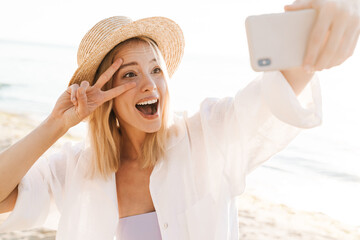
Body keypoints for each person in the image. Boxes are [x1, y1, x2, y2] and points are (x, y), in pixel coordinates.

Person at [0, 0, 359, 239]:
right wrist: (55, 125)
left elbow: (281, 87)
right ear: (105, 95)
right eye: (129, 75)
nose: (149, 84)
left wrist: (329, 18)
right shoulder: (74, 169)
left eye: (156, 69)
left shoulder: (207, 136)